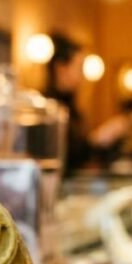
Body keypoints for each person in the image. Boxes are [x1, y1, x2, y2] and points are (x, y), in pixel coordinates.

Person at [44, 34, 91, 173]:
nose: (82, 75)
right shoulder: (47, 107)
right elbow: (67, 157)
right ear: (61, 68)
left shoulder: (72, 106)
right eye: (79, 67)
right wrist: (97, 140)